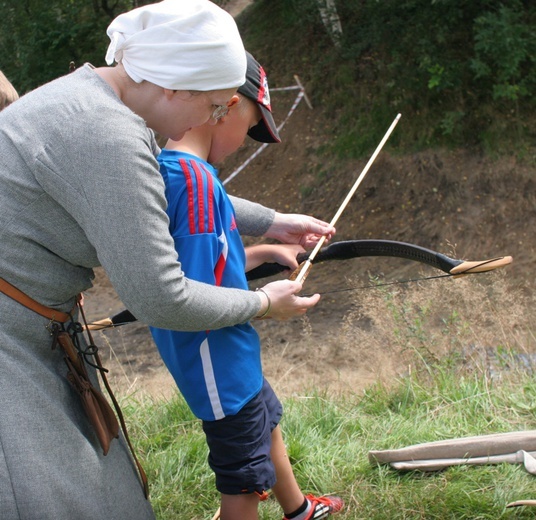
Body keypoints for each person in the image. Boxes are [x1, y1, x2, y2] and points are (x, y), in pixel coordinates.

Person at [0, 1, 334, 519]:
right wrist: (263, 302)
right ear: (177, 87)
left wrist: (268, 221)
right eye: (214, 106)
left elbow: (151, 188)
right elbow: (162, 297)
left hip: (28, 323)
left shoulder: (95, 100)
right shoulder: (108, 134)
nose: (214, 119)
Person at [150, 52, 344, 520]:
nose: (244, 142)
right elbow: (192, 290)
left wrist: (264, 253)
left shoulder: (177, 172)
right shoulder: (193, 182)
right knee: (241, 483)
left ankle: (297, 510)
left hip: (227, 353)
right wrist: (264, 304)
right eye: (252, 125)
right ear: (230, 105)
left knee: (267, 421)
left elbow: (209, 262)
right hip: (215, 358)